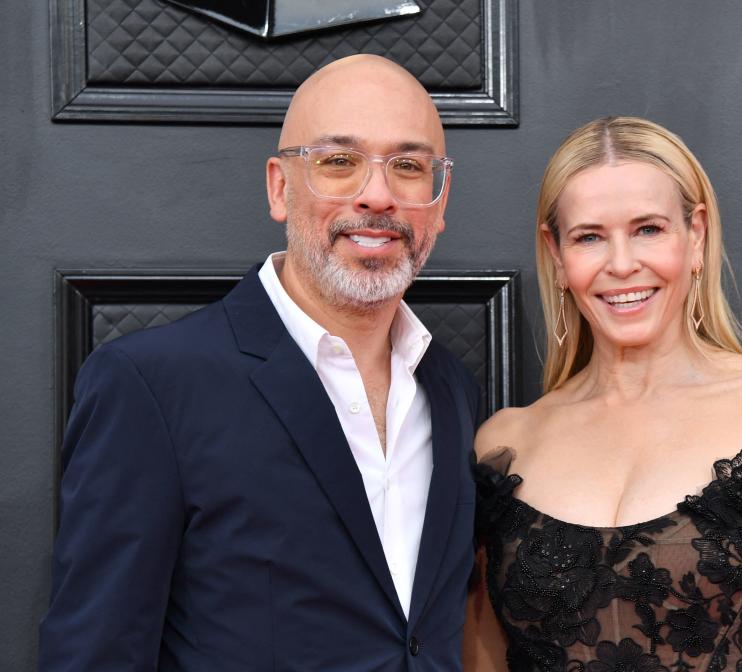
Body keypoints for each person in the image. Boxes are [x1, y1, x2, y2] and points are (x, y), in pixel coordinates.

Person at [39, 55, 481, 672]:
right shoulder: (151, 386)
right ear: (279, 186)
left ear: (438, 200)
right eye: (339, 161)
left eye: (408, 167)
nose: (377, 195)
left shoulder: (450, 390)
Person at [466, 117, 742, 671]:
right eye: (589, 236)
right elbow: (482, 659)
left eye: (648, 229)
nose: (621, 264)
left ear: (697, 236)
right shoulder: (505, 442)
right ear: (557, 255)